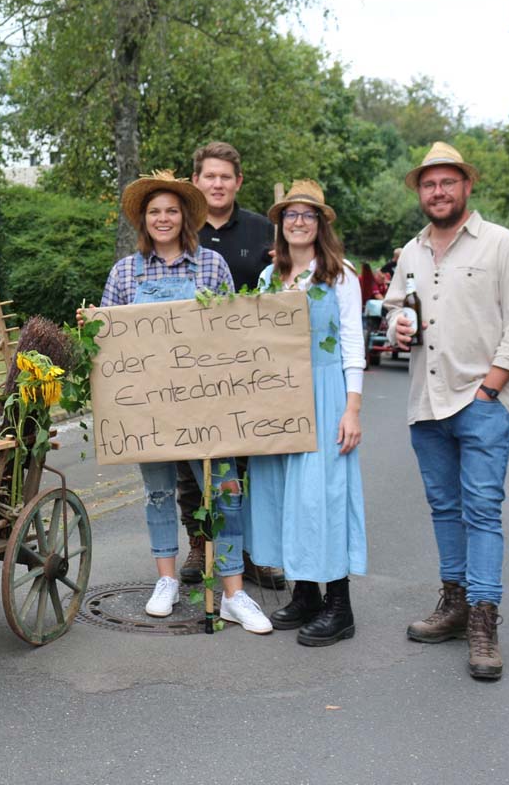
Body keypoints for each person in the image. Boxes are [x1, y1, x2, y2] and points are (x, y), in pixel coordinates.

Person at [384, 142, 509, 680]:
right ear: (420, 193)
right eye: (429, 185)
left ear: (466, 186)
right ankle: (453, 603)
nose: (439, 192)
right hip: (426, 404)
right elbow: (395, 313)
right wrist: (398, 328)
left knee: (481, 512)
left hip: (481, 402)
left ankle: (483, 619)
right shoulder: (411, 252)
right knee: (444, 509)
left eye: (447, 182)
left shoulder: (502, 245)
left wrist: (490, 391)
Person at [90, 170, 272, 633]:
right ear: (143, 220)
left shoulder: (210, 267)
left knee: (225, 493)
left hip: (205, 406)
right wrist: (92, 323)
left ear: (185, 216)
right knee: (158, 494)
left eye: (171, 210)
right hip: (147, 407)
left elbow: (233, 337)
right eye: (155, 212)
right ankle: (166, 581)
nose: (163, 218)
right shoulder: (125, 272)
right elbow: (107, 345)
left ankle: (233, 593)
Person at [245, 180, 366, 647]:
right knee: (281, 494)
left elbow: (353, 344)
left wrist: (351, 408)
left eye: (307, 215)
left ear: (320, 224)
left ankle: (340, 606)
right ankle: (306, 594)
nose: (298, 222)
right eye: (290, 215)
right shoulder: (267, 278)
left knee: (321, 496)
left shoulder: (339, 276)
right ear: (280, 224)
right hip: (280, 398)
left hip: (325, 392)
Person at [180, 141, 284, 590]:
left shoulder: (265, 231)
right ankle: (199, 544)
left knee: (248, 465)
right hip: (189, 372)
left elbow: (285, 287)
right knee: (191, 461)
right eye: (209, 176)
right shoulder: (182, 228)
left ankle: (252, 552)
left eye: (226, 177)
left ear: (238, 182)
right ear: (195, 182)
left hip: (249, 371)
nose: (217, 184)